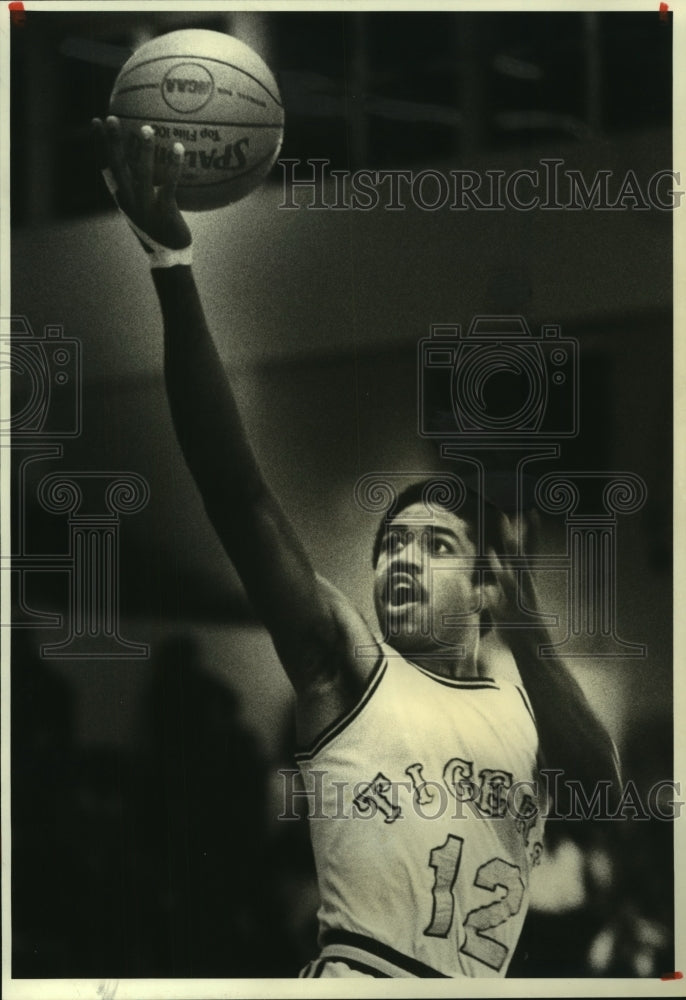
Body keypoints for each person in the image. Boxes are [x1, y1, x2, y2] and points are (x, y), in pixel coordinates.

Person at [92, 116, 621, 979]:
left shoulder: (529, 712)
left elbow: (602, 777)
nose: (400, 558)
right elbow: (238, 496)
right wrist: (171, 265)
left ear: (487, 586)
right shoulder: (348, 667)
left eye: (434, 544)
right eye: (390, 544)